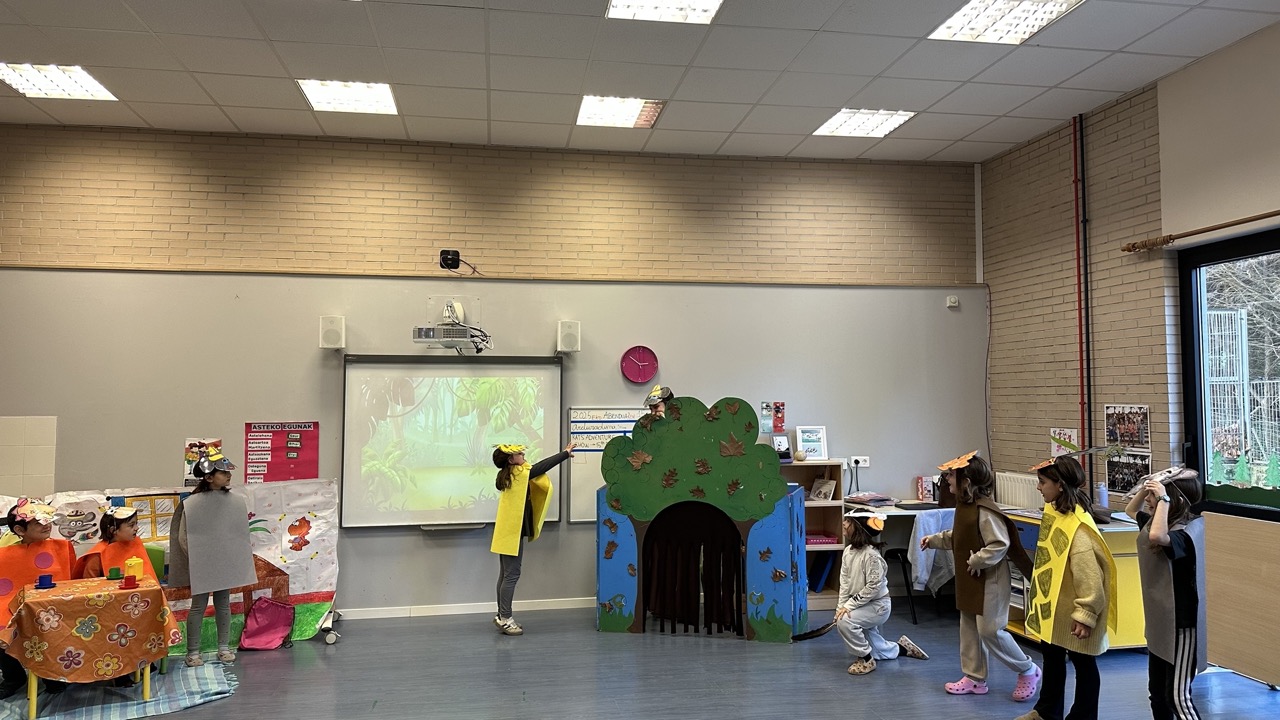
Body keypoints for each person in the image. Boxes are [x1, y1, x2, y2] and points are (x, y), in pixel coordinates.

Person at [922, 451, 1040, 701]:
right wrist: (934, 540)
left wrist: (978, 559)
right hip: (971, 579)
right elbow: (960, 536)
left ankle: (1027, 669)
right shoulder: (964, 506)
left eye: (951, 475)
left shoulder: (985, 510)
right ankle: (974, 678)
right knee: (969, 629)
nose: (947, 479)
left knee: (990, 630)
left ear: (966, 481)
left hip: (990, 581)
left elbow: (999, 543)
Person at [1016, 457, 1118, 720]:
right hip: (1055, 611)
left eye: (1042, 482)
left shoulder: (1078, 528)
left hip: (1074, 614)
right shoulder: (1057, 513)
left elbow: (1091, 578)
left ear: (1060, 485)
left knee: (1084, 665)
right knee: (1052, 659)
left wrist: (1086, 614)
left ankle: (1083, 716)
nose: (1038, 487)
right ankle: (1047, 712)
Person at [1125, 467, 1207, 720]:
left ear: (1172, 500)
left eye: (1154, 496)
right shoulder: (1156, 522)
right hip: (1160, 625)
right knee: (1157, 694)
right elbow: (1131, 510)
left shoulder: (1185, 533)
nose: (1149, 500)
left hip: (1181, 627)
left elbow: (1158, 536)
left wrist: (1163, 497)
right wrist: (1148, 485)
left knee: (1177, 697)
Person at [168, 446, 256, 667]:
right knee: (198, 606)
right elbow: (184, 537)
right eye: (223, 472)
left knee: (223, 604)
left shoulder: (234, 502)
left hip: (223, 562)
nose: (228, 475)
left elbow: (237, 533)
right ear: (209, 477)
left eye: (228, 472)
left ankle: (224, 648)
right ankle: (193, 651)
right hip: (202, 565)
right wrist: (198, 559)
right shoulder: (192, 504)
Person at [490, 441, 575, 636]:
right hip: (511, 533)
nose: (523, 455)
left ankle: (502, 615)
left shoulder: (510, 474)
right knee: (511, 575)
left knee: (506, 574)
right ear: (511, 460)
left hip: (507, 532)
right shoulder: (518, 474)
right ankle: (506, 618)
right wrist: (564, 454)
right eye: (519, 453)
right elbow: (541, 467)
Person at [0, 499, 76, 698]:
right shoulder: (5, 554)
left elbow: (72, 580)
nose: (46, 525)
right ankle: (13, 677)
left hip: (53, 605)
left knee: (52, 628)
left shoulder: (61, 547)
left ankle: (51, 676)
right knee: (2, 631)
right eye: (39, 522)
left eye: (47, 520)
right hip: (13, 605)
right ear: (20, 529)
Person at [837, 510, 928, 675]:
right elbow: (844, 582)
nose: (844, 523)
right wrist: (841, 607)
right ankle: (901, 648)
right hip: (861, 604)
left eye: (848, 521)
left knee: (845, 622)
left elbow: (872, 587)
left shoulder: (872, 556)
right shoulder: (848, 551)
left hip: (877, 606)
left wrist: (848, 607)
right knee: (877, 649)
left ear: (859, 527)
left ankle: (866, 659)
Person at [74, 506, 159, 580]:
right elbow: (90, 584)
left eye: (136, 524)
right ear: (113, 530)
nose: (137, 528)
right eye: (131, 525)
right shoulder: (97, 555)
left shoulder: (135, 544)